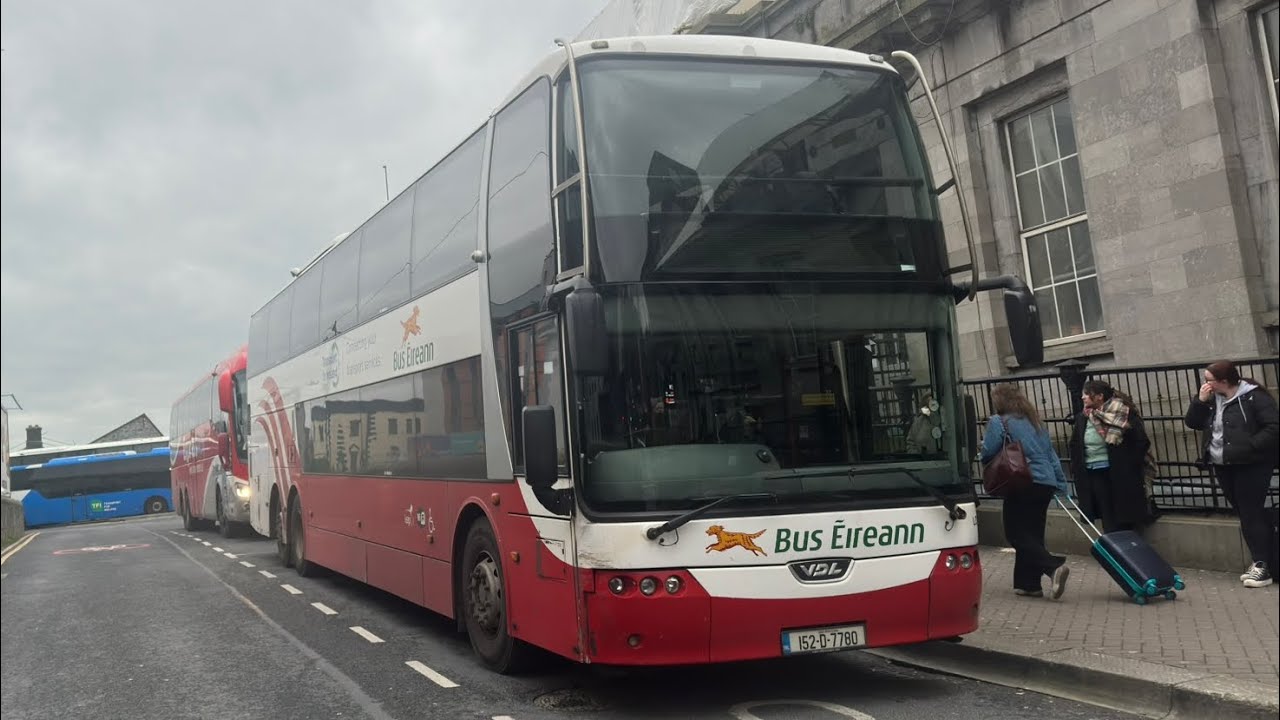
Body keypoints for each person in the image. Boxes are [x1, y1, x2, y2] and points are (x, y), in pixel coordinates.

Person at [1184, 360, 1279, 588]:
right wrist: (1199, 401)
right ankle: (1263, 561)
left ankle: (1262, 565)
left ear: (1224, 381)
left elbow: (1273, 426)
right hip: (1223, 463)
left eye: (1209, 380)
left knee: (1249, 511)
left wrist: (1250, 446)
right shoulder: (1211, 400)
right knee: (1244, 511)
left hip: (1252, 464)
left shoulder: (1253, 397)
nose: (1206, 384)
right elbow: (1193, 423)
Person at [981, 383, 1072, 599]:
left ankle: (1053, 567)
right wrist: (1060, 483)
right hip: (1045, 482)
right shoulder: (1035, 422)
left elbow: (988, 452)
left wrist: (982, 446)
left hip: (1021, 479)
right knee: (1033, 534)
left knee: (1015, 534)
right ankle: (1028, 584)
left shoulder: (999, 422)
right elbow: (1051, 454)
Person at [1070, 380, 1155, 534]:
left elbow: (1141, 441)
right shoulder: (1084, 417)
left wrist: (1128, 464)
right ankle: (1113, 540)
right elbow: (1075, 443)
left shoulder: (1122, 412)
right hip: (1093, 469)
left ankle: (1127, 541)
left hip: (1119, 470)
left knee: (1123, 510)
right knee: (1105, 510)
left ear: (1099, 396)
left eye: (1087, 394)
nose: (1083, 397)